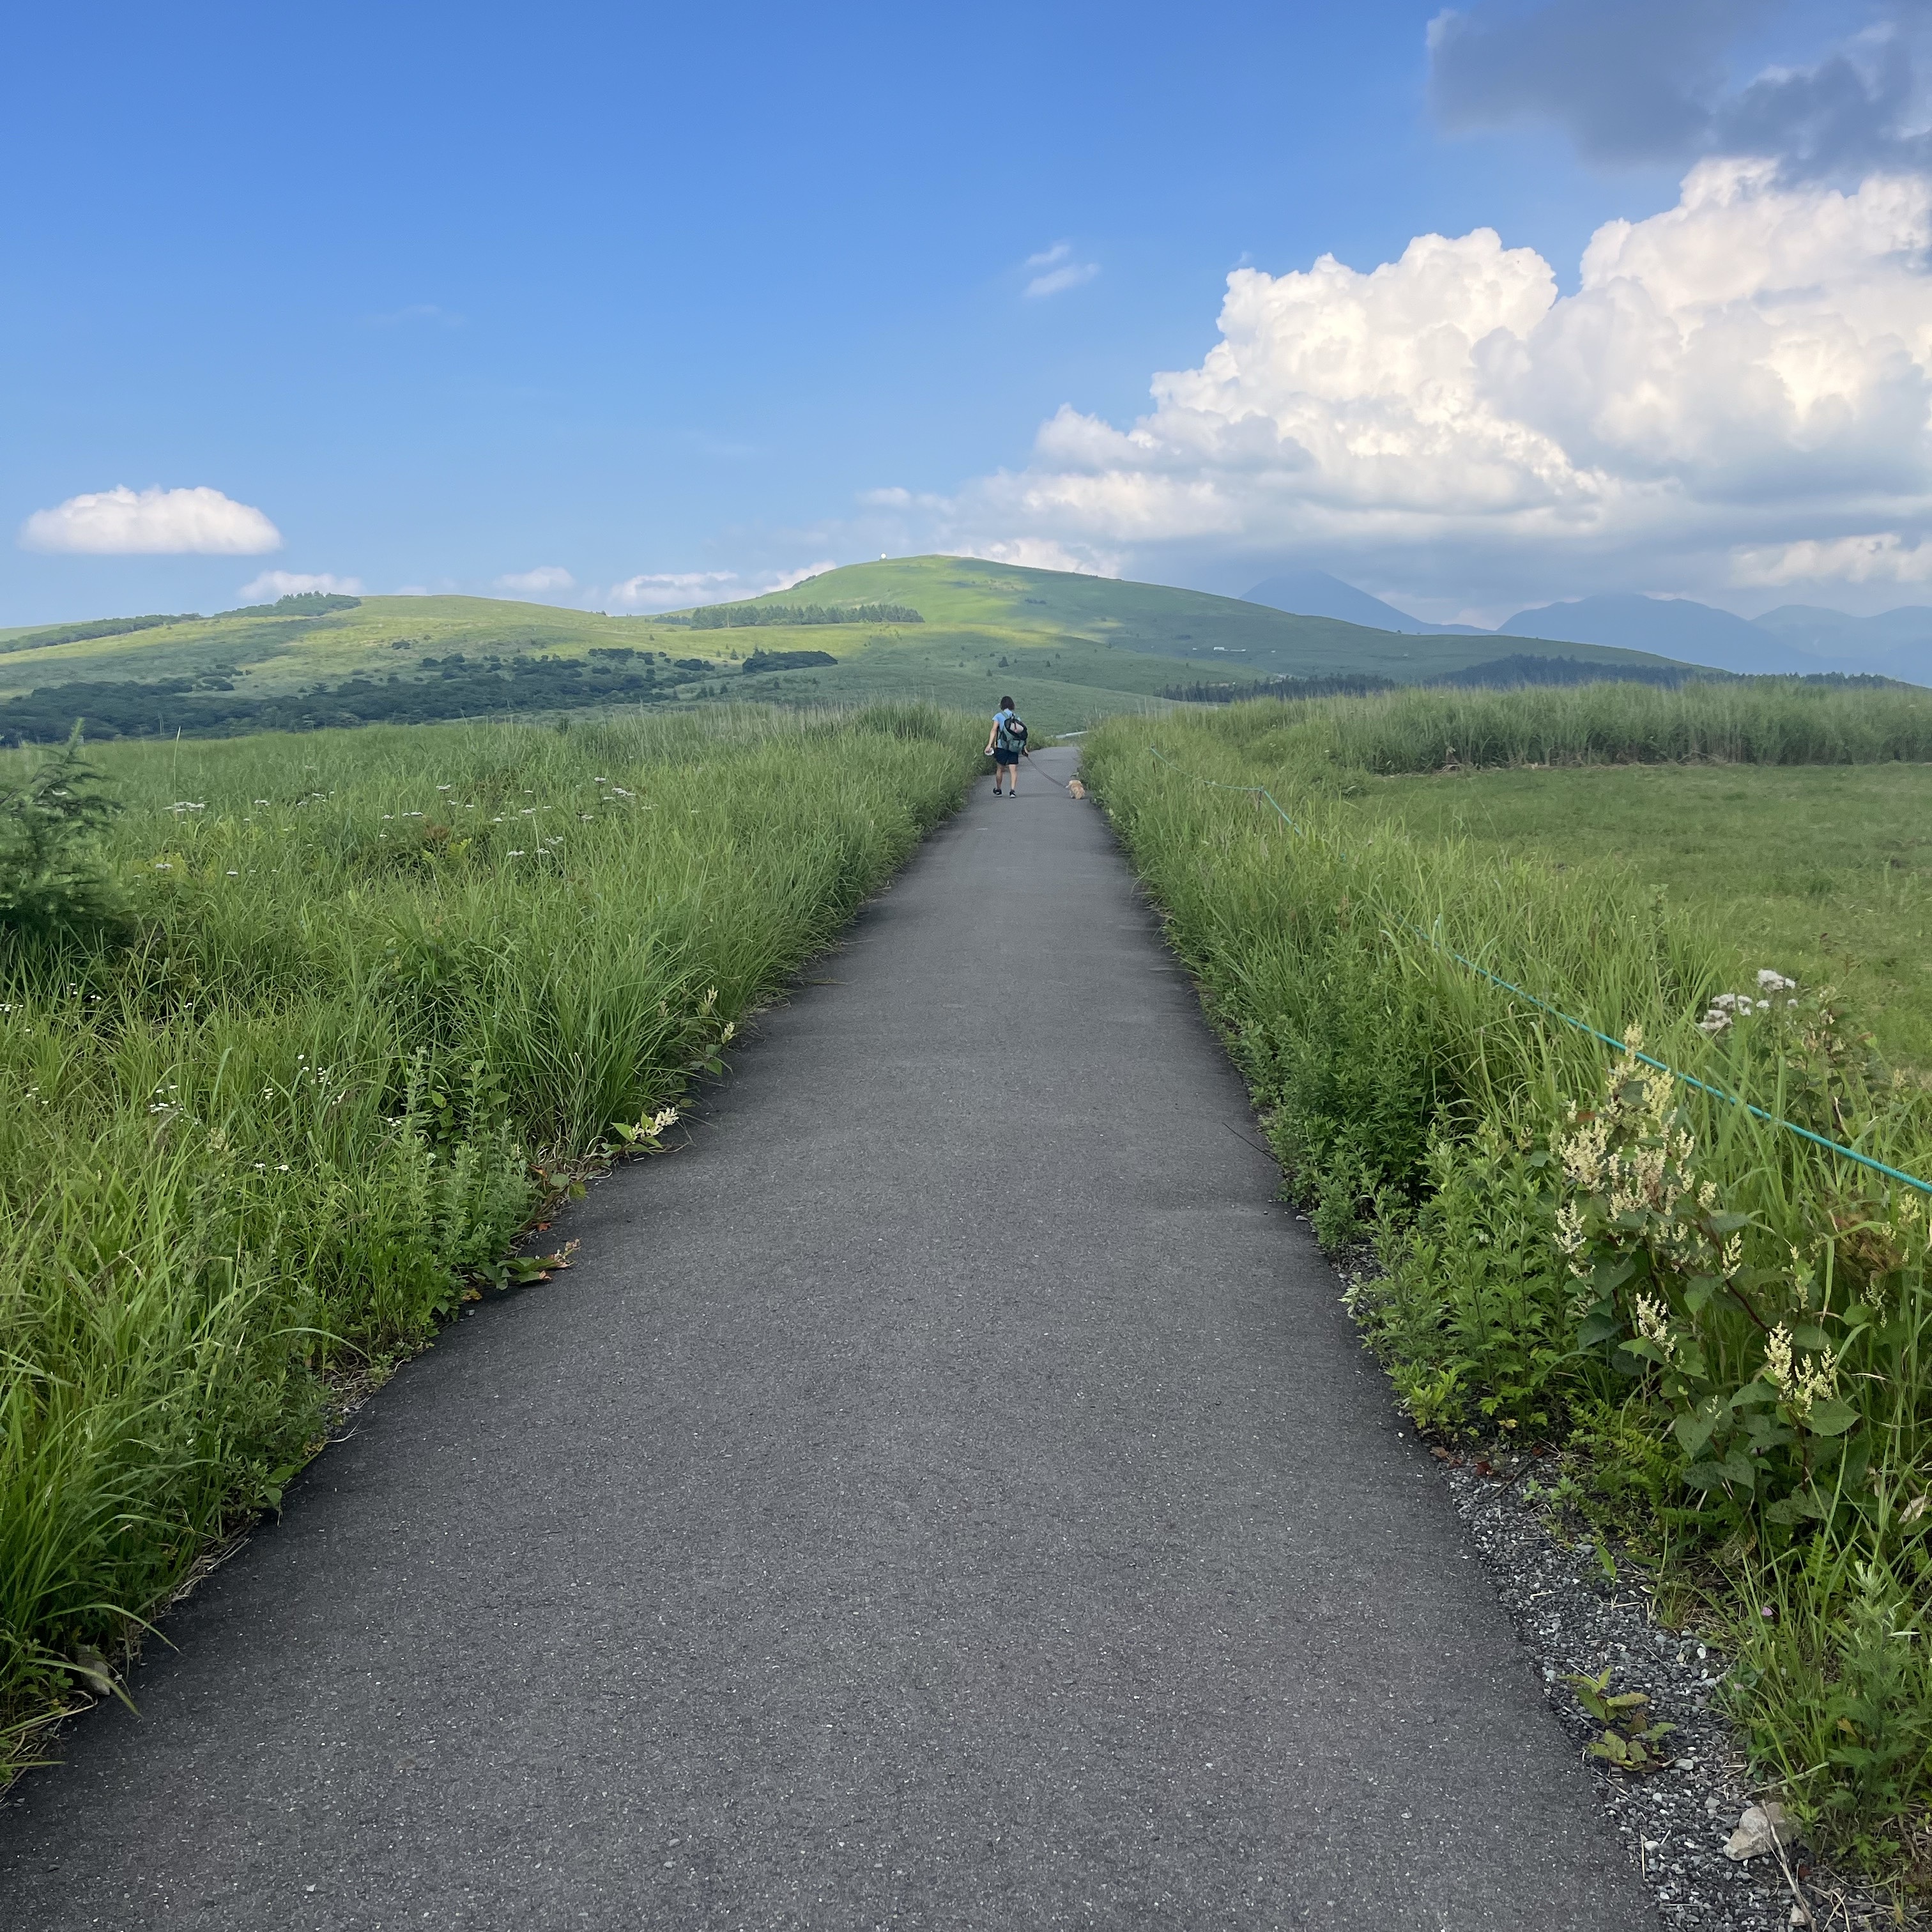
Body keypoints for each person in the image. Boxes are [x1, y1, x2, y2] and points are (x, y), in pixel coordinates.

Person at [986, 695, 1027, 795]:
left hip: (1002, 746)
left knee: (1000, 769)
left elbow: (994, 730)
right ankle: (1012, 791)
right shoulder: (1016, 717)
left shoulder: (999, 716)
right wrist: (1024, 748)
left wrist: (989, 744)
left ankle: (999, 789)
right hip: (1014, 746)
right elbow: (1021, 734)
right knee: (1013, 770)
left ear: (1002, 705)